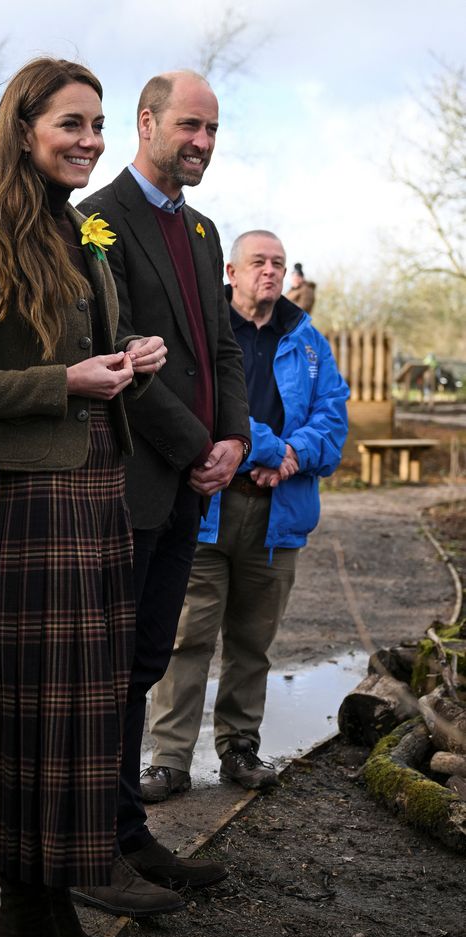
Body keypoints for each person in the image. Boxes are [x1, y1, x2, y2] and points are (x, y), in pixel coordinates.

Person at [0, 58, 168, 937]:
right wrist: (61, 383)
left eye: (98, 124)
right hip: (38, 503)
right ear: (25, 130)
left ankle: (49, 905)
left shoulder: (82, 238)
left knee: (84, 713)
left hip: (102, 488)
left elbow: (86, 360)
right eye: (72, 123)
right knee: (36, 715)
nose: (91, 139)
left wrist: (131, 363)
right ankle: (23, 914)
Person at [72, 71, 250, 918]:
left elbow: (222, 347)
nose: (203, 143)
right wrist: (194, 446)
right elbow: (114, 352)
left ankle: (128, 830)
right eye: (189, 126)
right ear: (147, 123)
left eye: (212, 130)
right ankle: (90, 847)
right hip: (133, 479)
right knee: (107, 670)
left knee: (146, 661)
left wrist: (236, 439)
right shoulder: (96, 221)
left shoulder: (207, 229)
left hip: (191, 488)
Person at [142, 230, 349, 801]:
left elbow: (333, 423)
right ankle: (169, 760)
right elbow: (199, 413)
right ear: (229, 271)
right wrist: (269, 450)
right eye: (258, 262)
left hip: (278, 516)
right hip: (207, 509)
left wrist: (293, 455)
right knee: (187, 639)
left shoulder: (308, 342)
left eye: (279, 263)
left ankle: (238, 747)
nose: (271, 272)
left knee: (253, 643)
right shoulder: (205, 335)